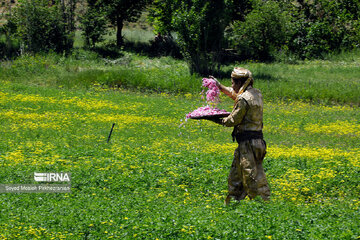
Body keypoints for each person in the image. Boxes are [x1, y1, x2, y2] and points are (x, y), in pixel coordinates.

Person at [210, 67, 270, 205]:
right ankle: (232, 204)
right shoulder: (256, 93)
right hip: (256, 143)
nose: (231, 85)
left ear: (240, 83)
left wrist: (214, 118)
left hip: (248, 144)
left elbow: (232, 121)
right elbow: (235, 94)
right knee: (236, 175)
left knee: (252, 177)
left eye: (232, 82)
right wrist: (219, 86)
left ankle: (263, 205)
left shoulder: (243, 99)